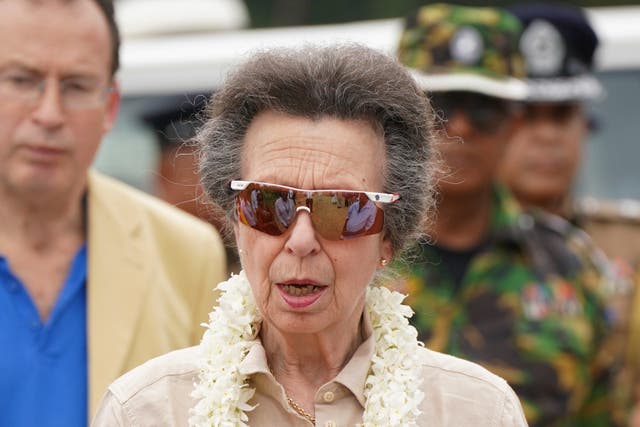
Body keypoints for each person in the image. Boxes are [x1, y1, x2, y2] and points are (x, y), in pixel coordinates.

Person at [91, 44, 528, 426]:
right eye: (268, 204)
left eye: (341, 210)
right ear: (236, 221)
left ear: (388, 237)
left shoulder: (477, 412)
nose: (300, 240)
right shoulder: (146, 411)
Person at [0, 0, 226, 424]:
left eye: (76, 85)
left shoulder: (186, 253)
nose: (48, 113)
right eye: (21, 79)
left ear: (109, 106)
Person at [395, 4, 617, 426]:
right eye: (440, 105)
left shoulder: (572, 267)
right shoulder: (350, 249)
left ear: (514, 123)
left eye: (483, 108)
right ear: (401, 117)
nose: (461, 126)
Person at [497, 4, 639, 422]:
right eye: (526, 116)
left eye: (562, 115)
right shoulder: (441, 243)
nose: (547, 137)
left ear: (585, 124)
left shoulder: (628, 243)